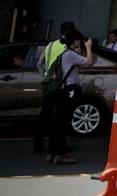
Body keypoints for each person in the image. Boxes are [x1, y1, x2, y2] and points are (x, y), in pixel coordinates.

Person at [46, 29, 94, 165]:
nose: (81, 42)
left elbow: (82, 64)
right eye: (79, 40)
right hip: (69, 90)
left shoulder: (64, 54)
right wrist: (89, 47)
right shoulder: (70, 54)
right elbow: (89, 62)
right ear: (75, 41)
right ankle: (60, 154)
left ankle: (53, 153)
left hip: (61, 91)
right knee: (63, 122)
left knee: (57, 121)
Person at [34, 21, 75, 154]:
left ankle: (38, 145)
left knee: (44, 115)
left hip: (49, 85)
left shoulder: (51, 45)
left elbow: (40, 63)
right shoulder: (70, 48)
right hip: (62, 86)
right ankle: (58, 145)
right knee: (60, 117)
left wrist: (46, 76)